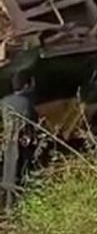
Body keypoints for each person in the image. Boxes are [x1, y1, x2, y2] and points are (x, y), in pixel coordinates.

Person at [0, 71, 38, 208]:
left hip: (8, 141)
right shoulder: (27, 103)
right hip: (22, 144)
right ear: (26, 85)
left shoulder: (4, 101)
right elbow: (32, 124)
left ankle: (5, 205)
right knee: (21, 173)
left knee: (7, 173)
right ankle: (16, 207)